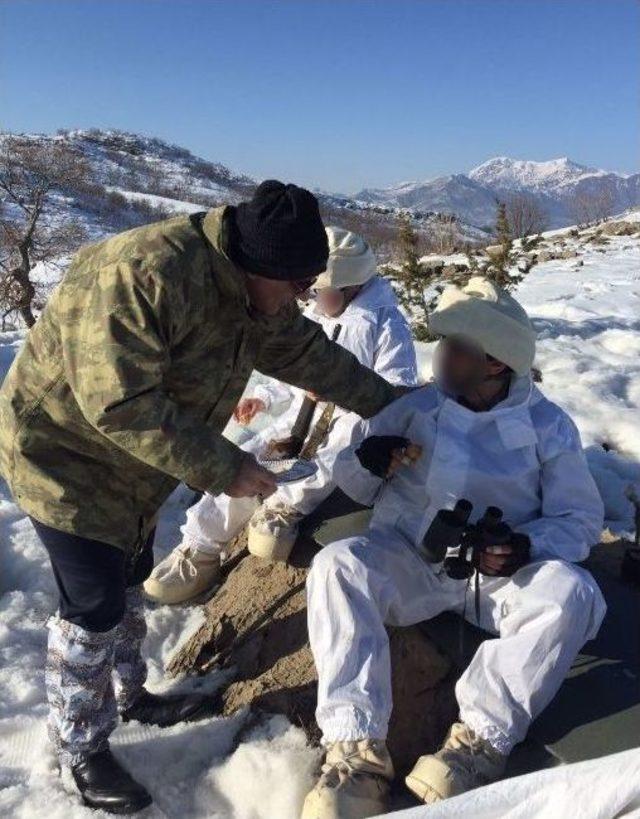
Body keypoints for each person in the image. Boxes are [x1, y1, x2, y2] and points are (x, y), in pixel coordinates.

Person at [0, 181, 403, 814]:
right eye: (296, 285)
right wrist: (227, 467)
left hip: (135, 462)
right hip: (63, 458)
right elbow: (118, 403)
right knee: (94, 603)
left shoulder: (251, 294)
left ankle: (130, 695)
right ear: (257, 266)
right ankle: (80, 745)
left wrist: (398, 408)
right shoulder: (143, 274)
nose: (302, 298)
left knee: (130, 575)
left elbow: (304, 353)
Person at [302, 277, 606, 819]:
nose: (441, 356)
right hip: (410, 560)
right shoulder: (416, 406)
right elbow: (349, 475)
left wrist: (523, 545)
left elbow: (579, 518)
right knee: (336, 567)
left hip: (494, 580)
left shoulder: (547, 426)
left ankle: (475, 748)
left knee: (572, 594)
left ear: (494, 364)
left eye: (456, 348)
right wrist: (369, 460)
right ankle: (356, 753)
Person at [144, 226, 418, 604]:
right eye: (313, 292)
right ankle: (201, 546)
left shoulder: (384, 324)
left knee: (336, 453)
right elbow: (292, 368)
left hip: (351, 419)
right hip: (303, 417)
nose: (315, 299)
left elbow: (394, 390)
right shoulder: (319, 313)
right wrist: (264, 397)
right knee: (255, 456)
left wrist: (346, 391)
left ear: (352, 286)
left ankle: (285, 507)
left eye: (323, 292)